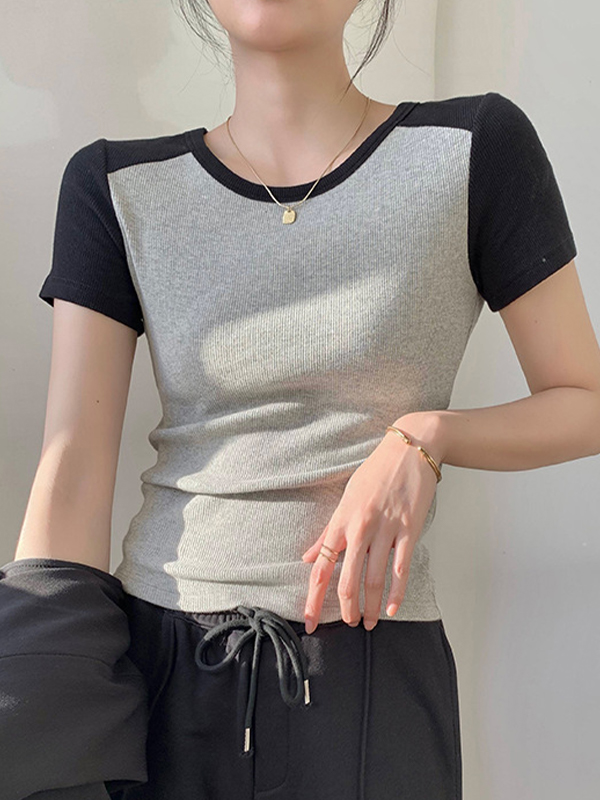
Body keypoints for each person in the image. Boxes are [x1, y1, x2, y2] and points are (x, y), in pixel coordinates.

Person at [2, 1, 600, 798]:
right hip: (162, 665)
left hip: (372, 668)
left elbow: (585, 399)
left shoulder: (471, 148)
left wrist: (427, 437)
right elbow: (71, 463)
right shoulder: (117, 186)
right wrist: (38, 703)